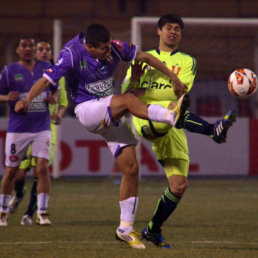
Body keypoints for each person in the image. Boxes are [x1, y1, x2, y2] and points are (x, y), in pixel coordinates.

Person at [15, 24, 190, 249]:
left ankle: (125, 229)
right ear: (89, 47)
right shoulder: (70, 54)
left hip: (107, 111)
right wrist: (27, 100)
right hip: (87, 110)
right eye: (103, 49)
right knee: (127, 100)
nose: (109, 51)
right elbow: (45, 81)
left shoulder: (114, 47)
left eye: (109, 46)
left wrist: (173, 77)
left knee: (131, 168)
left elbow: (145, 56)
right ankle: (170, 115)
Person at [121, 13, 236, 248]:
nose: (173, 32)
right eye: (168, 28)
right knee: (170, 112)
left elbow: (179, 93)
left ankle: (152, 230)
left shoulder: (187, 61)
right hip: (145, 116)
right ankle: (212, 130)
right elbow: (127, 95)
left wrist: (143, 90)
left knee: (179, 185)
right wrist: (134, 81)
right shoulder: (144, 58)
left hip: (173, 120)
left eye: (177, 29)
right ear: (158, 31)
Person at [8, 39, 68, 226]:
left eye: (47, 49)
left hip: (45, 128)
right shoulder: (30, 75)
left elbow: (63, 102)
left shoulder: (58, 76)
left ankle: (31, 213)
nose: (43, 52)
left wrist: (57, 113)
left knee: (40, 170)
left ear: (50, 54)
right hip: (25, 127)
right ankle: (19, 193)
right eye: (40, 49)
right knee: (18, 174)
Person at [0, 36, 55, 226]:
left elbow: (54, 88)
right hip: (18, 129)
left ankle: (42, 212)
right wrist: (7, 98)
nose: (28, 48)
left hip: (42, 127)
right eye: (23, 45)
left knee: (42, 168)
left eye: (31, 45)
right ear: (17, 50)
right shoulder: (9, 71)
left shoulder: (45, 67)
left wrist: (52, 98)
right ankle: (3, 212)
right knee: (11, 171)